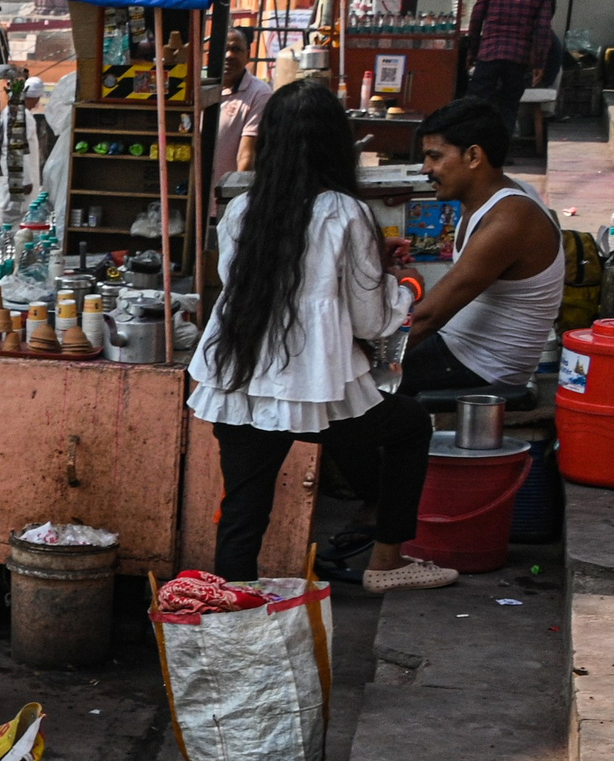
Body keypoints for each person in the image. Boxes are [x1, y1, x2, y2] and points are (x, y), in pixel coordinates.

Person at [189, 78, 457, 591]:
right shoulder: (343, 211)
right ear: (336, 142)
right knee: (407, 428)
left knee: (244, 509)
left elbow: (244, 284)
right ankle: (385, 560)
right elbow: (372, 322)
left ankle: (233, 612)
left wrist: (367, 266)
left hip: (241, 380)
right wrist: (404, 285)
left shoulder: (242, 210)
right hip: (317, 384)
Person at [400, 97, 565, 395]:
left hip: (481, 368)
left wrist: (361, 364)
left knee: (354, 387)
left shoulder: (510, 219)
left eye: (435, 157)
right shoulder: (492, 196)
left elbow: (427, 319)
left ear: (474, 156)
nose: (426, 169)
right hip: (457, 349)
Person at [463, 0, 555, 125]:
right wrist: (539, 63)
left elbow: (476, 20)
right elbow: (543, 29)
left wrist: (472, 53)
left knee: (475, 104)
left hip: (489, 54)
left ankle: (472, 136)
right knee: (508, 105)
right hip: (517, 57)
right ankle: (503, 140)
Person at [216, 27, 273, 178]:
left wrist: (234, 190)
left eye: (236, 49)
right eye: (224, 49)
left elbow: (246, 157)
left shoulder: (259, 93)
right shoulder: (200, 88)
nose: (229, 55)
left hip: (226, 190)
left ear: (247, 56)